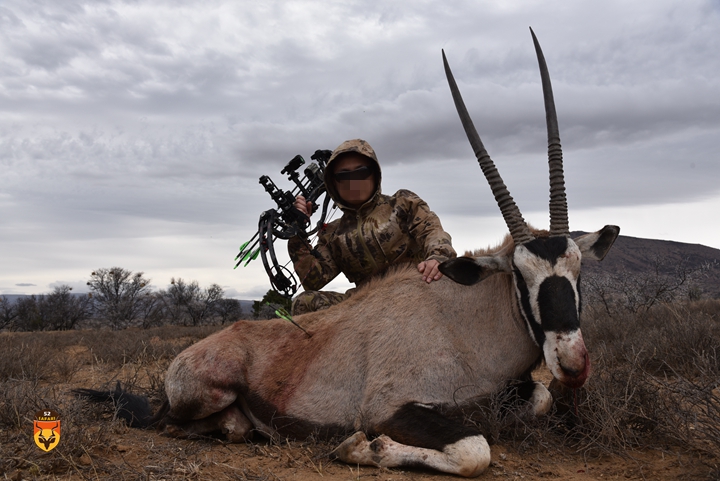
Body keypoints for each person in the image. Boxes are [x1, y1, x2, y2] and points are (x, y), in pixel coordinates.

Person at [288, 139, 456, 315]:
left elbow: (432, 231)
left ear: (375, 174)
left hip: (418, 285)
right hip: (366, 305)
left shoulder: (402, 203)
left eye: (361, 172)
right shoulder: (331, 233)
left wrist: (438, 256)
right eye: (343, 176)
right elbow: (312, 279)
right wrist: (296, 231)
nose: (353, 182)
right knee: (304, 302)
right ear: (333, 184)